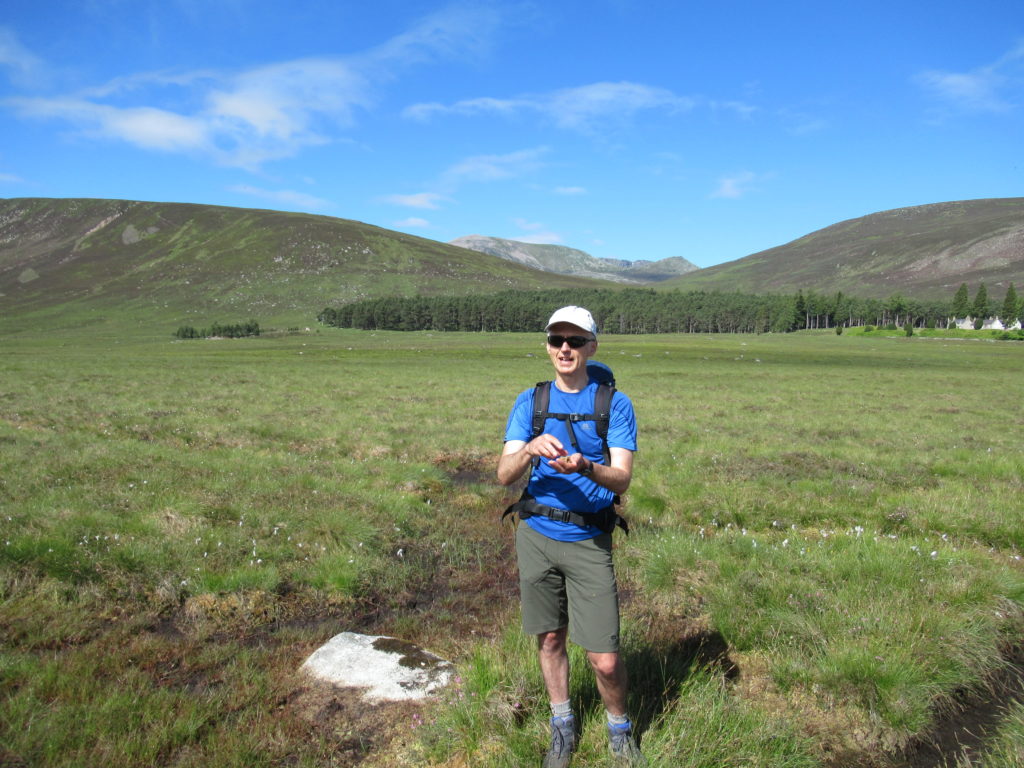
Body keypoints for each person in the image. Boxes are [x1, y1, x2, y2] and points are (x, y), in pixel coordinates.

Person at [497, 305, 645, 767]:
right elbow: (504, 474)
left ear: (592, 347)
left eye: (576, 340)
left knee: (603, 657)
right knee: (550, 640)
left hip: (587, 541)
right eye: (557, 339)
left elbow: (621, 480)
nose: (566, 348)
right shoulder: (531, 402)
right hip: (536, 535)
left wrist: (584, 465)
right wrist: (530, 451)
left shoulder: (614, 404)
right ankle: (562, 723)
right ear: (547, 346)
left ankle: (619, 730)